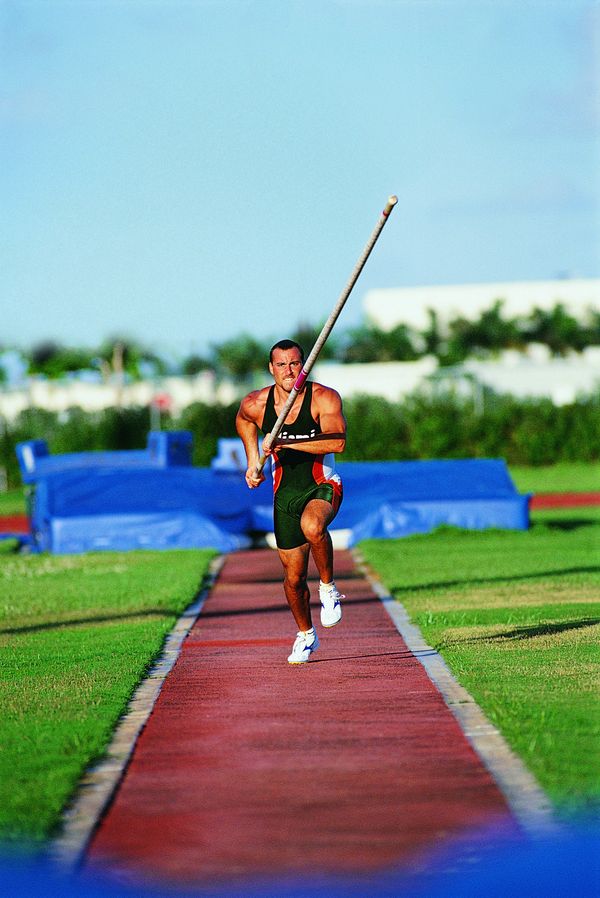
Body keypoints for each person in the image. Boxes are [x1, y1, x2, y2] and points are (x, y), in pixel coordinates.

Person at [236, 339, 346, 664]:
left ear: (304, 366)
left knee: (312, 525)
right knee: (293, 579)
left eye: (295, 364)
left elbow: (337, 442)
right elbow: (243, 420)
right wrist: (253, 461)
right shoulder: (257, 403)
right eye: (281, 365)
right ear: (271, 369)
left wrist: (285, 442)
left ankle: (328, 587)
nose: (289, 371)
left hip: (321, 486)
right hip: (285, 496)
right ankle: (306, 635)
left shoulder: (323, 397)